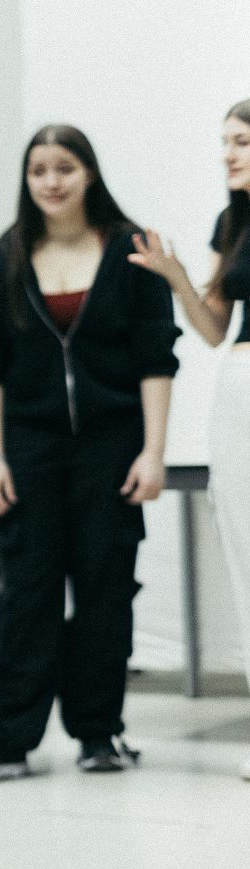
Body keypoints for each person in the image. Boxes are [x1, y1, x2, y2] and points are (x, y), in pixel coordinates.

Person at [0, 125, 179, 782]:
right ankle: (8, 739)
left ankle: (99, 732)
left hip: (111, 448)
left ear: (89, 174)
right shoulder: (9, 256)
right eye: (38, 170)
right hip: (31, 449)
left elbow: (155, 359)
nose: (50, 182)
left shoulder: (131, 250)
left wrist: (154, 452)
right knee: (30, 591)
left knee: (106, 591)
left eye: (64, 168)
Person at [129, 99, 250, 778]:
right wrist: (177, 276)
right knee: (245, 551)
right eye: (225, 143)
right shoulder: (230, 223)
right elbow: (210, 328)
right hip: (238, 392)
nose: (229, 155)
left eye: (242, 142)